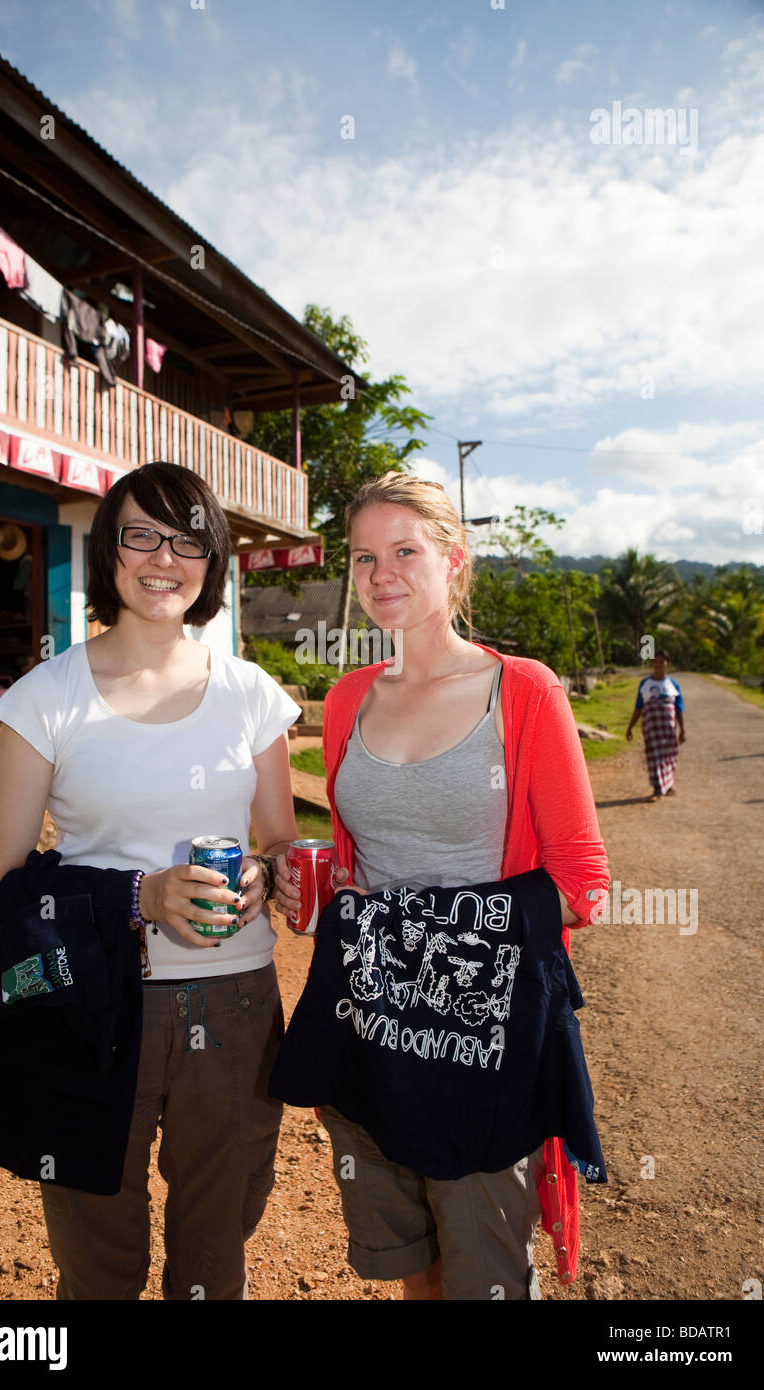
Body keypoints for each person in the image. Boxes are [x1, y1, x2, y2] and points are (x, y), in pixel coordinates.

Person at [273, 471, 609, 1301]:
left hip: (479, 1041)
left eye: (405, 552)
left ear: (454, 563)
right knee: (408, 1271)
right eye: (362, 558)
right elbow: (357, 867)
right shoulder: (350, 698)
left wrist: (411, 928)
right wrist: (310, 884)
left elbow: (583, 886)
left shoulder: (521, 690)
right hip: (368, 1027)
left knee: (485, 1278)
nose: (381, 573)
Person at [0, 461, 301, 1300]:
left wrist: (268, 874)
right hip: (92, 1005)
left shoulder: (252, 695)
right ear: (109, 554)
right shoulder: (46, 697)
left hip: (234, 1002)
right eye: (141, 534)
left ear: (212, 559)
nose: (165, 557)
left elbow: (277, 840)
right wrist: (135, 898)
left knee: (216, 1249)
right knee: (97, 1262)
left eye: (188, 537)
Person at [625, 649, 685, 800]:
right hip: (651, 729)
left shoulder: (673, 685)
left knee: (669, 756)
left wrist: (682, 730)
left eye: (662, 661)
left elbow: (679, 708)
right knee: (653, 756)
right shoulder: (645, 684)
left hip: (668, 730)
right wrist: (630, 727)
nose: (659, 664)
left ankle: (668, 785)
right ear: (652, 664)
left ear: (667, 664)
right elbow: (639, 707)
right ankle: (657, 789)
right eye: (656, 661)